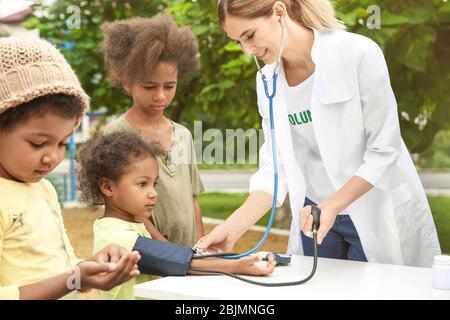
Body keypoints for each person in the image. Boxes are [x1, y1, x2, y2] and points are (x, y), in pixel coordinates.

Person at [195, 0, 441, 267]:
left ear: (279, 12)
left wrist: (333, 204)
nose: (246, 50)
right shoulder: (267, 80)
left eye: (250, 36)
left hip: (372, 209)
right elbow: (274, 171)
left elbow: (384, 151)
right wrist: (230, 229)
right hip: (315, 215)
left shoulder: (357, 53)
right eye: (238, 42)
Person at [0, 37, 141, 300]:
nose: (52, 157)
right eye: (38, 143)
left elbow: (58, 270)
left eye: (63, 143)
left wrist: (87, 269)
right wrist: (73, 280)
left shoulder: (43, 189)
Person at [76, 131, 276, 300]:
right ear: (108, 187)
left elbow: (175, 256)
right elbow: (176, 261)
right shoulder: (117, 237)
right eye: (141, 184)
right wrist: (237, 266)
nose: (153, 192)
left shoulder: (128, 225)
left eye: (154, 184)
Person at [101, 13, 205, 247]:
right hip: (149, 256)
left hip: (187, 258)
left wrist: (200, 249)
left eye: (169, 86)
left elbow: (193, 199)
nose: (160, 96)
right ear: (127, 82)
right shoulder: (118, 135)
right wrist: (168, 252)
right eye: (149, 86)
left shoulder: (183, 135)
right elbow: (128, 209)